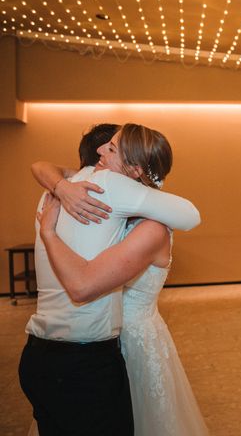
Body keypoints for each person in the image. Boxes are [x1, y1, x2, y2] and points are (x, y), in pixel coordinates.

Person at [19, 123, 202, 436]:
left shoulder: (146, 223)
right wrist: (61, 188)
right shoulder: (88, 191)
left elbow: (191, 216)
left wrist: (56, 200)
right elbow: (84, 284)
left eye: (112, 148)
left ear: (134, 170)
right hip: (91, 352)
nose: (100, 153)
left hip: (113, 348)